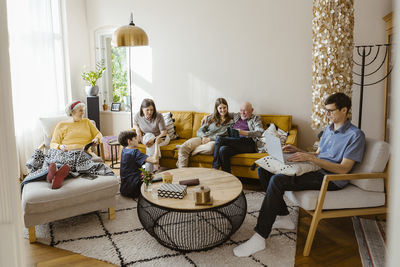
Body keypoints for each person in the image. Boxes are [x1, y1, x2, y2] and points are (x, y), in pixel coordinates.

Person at [233, 92, 366, 257]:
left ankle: (260, 236)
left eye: (331, 111)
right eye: (326, 110)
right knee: (263, 169)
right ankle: (283, 217)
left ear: (344, 110)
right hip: (315, 168)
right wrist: (299, 151)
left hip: (331, 178)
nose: (327, 114)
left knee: (278, 180)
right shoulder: (328, 129)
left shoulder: (355, 135)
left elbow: (343, 169)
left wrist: (310, 158)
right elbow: (319, 154)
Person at [177, 98, 233, 168]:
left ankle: (189, 150)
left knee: (210, 149)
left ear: (227, 107)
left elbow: (225, 136)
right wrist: (204, 137)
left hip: (214, 141)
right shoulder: (211, 118)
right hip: (202, 138)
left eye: (224, 107)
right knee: (183, 148)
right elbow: (199, 130)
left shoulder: (231, 122)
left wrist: (210, 139)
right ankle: (182, 172)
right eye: (220, 108)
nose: (223, 110)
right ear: (217, 108)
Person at [211, 102, 264, 173]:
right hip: (235, 142)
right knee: (223, 150)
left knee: (219, 140)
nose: (242, 113)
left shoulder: (256, 118)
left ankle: (215, 167)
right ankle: (227, 176)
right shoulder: (237, 115)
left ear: (252, 110)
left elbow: (259, 132)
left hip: (248, 144)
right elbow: (222, 113)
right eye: (241, 110)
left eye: (245, 110)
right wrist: (207, 116)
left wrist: (242, 132)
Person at [118, 130, 162, 198]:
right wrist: (156, 143)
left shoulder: (124, 150)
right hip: (134, 190)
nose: (137, 140)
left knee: (149, 176)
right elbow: (155, 160)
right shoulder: (135, 152)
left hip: (124, 189)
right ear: (129, 141)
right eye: (135, 138)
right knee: (160, 182)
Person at [133, 99, 170, 172]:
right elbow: (134, 124)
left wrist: (154, 140)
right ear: (142, 109)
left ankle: (148, 172)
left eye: (152, 110)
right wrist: (137, 129)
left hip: (161, 137)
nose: (150, 112)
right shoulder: (138, 115)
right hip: (146, 137)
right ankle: (155, 163)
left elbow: (164, 132)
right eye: (147, 110)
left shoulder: (158, 116)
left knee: (151, 141)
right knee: (149, 135)